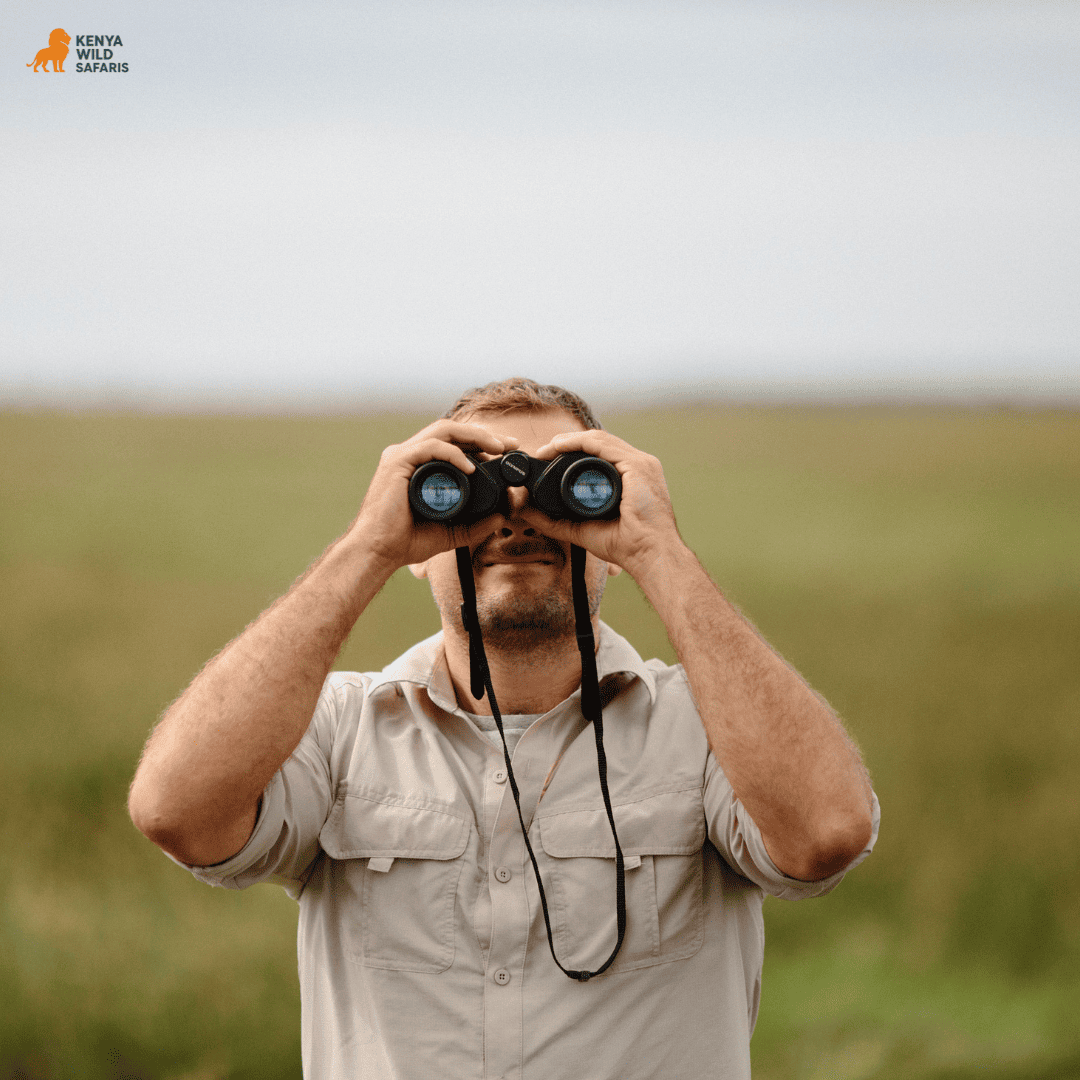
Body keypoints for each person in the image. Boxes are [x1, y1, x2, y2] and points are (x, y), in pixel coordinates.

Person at [129, 377, 879, 1080]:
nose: (516, 517)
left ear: (609, 539)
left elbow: (825, 836)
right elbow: (177, 812)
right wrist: (367, 549)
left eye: (565, 487)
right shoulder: (339, 728)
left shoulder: (707, 727)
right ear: (422, 547)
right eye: (474, 486)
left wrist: (661, 551)